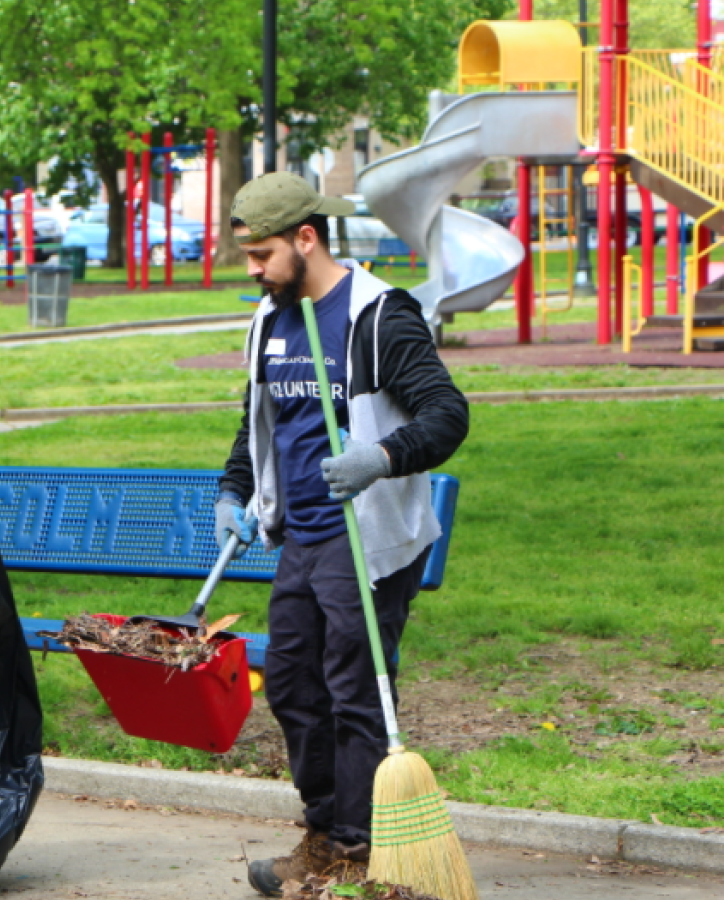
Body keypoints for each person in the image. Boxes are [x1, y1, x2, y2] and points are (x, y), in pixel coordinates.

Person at [211, 174, 470, 897]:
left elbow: (447, 414)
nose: (254, 271)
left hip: (368, 541)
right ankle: (323, 833)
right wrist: (234, 489)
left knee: (355, 691)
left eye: (262, 254)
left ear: (306, 238)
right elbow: (258, 423)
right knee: (293, 685)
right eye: (247, 257)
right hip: (301, 537)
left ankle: (356, 852)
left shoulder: (379, 316)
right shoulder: (270, 319)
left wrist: (381, 458)